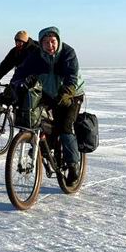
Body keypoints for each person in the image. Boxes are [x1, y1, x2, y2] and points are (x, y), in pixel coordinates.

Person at [11, 26, 85, 182]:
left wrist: (67, 92)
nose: (50, 46)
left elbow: (72, 76)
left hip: (72, 95)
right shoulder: (36, 56)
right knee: (38, 120)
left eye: (53, 41)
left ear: (58, 41)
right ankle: (42, 146)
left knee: (65, 126)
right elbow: (20, 72)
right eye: (46, 42)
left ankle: (73, 165)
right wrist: (13, 87)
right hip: (48, 94)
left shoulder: (67, 53)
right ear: (41, 43)